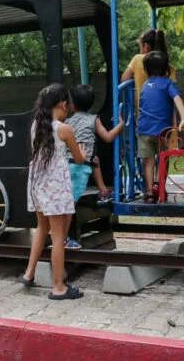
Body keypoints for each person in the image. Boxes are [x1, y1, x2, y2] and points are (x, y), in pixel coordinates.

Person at [19, 84, 85, 300]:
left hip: (38, 187)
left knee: (41, 228)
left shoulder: (36, 126)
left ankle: (29, 273)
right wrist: (83, 153)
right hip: (55, 190)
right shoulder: (64, 129)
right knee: (58, 238)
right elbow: (79, 159)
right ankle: (58, 287)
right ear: (63, 105)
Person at [63, 84, 124, 249]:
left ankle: (102, 190)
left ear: (72, 105)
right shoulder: (93, 119)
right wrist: (121, 124)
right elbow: (108, 137)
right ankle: (63, 238)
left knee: (95, 160)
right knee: (70, 204)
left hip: (67, 164)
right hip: (80, 167)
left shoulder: (67, 121)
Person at [137, 51, 184, 203]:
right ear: (166, 69)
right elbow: (177, 98)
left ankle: (149, 192)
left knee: (147, 161)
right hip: (163, 131)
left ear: (146, 70)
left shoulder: (144, 86)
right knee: (163, 158)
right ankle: (160, 187)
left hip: (144, 129)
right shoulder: (167, 83)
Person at [121, 29, 176, 115]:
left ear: (146, 46)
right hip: (164, 114)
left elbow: (124, 78)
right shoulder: (169, 67)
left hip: (143, 113)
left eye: (140, 46)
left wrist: (135, 77)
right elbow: (173, 95)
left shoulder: (138, 59)